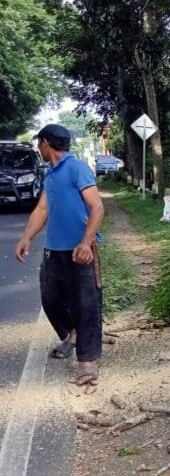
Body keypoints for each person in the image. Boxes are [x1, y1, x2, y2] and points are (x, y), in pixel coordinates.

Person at [15, 124, 104, 385]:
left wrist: (86, 243)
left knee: (86, 304)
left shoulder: (76, 168)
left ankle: (88, 361)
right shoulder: (51, 174)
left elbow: (97, 207)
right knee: (51, 298)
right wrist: (26, 237)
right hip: (54, 250)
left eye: (38, 144)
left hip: (80, 251)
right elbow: (42, 210)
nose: (38, 149)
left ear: (45, 143)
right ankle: (72, 334)